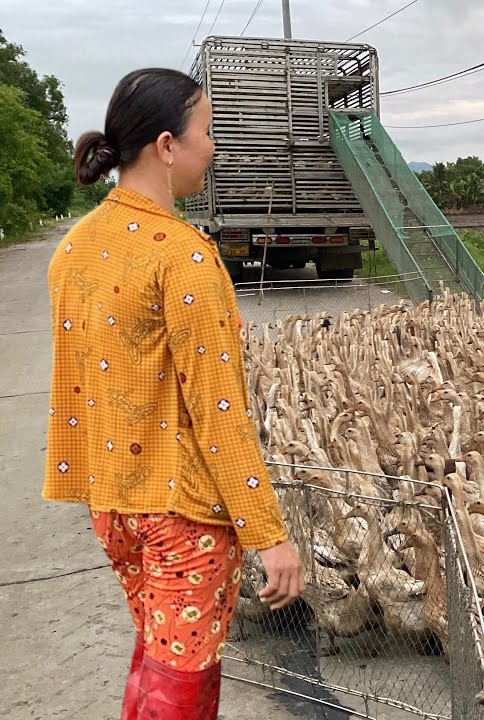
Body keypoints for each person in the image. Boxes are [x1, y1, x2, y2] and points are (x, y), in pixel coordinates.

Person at [46, 68, 303, 720]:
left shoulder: (73, 250)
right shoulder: (182, 255)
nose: (213, 147)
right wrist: (268, 534)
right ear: (166, 145)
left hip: (112, 508)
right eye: (207, 132)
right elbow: (219, 413)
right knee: (183, 686)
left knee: (158, 658)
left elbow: (79, 387)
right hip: (183, 513)